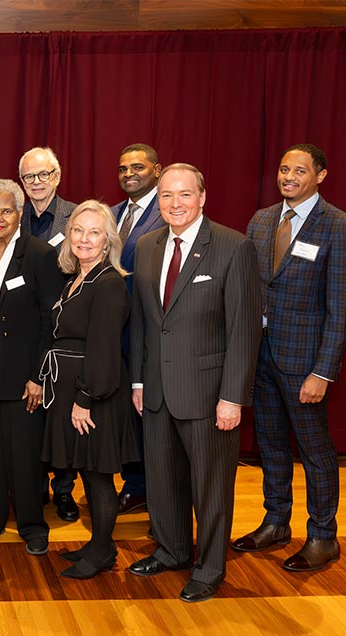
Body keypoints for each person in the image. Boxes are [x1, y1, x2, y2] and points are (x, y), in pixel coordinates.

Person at [129, 163, 262, 603]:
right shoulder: (148, 246)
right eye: (166, 196)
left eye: (184, 195)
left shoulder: (232, 247)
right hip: (157, 390)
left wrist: (232, 397)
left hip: (209, 396)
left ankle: (209, 568)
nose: (175, 204)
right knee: (163, 479)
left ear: (203, 197)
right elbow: (147, 324)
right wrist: (138, 381)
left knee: (210, 487)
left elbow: (244, 329)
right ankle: (172, 550)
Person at [234, 144, 346, 572]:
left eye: (300, 170)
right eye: (284, 169)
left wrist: (323, 371)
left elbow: (340, 308)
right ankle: (276, 522)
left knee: (314, 451)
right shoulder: (262, 219)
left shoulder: (340, 227)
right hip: (261, 357)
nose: (288, 176)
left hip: (305, 363)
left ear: (321, 175)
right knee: (269, 444)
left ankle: (323, 536)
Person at [0, 179, 63, 556]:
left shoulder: (38, 254)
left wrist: (39, 376)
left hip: (24, 375)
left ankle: (32, 524)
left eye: (7, 210)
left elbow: (48, 320)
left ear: (20, 213)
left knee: (24, 451)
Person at [40, 201, 138, 579]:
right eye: (78, 230)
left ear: (107, 239)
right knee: (85, 471)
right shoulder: (77, 278)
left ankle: (102, 553)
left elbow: (103, 347)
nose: (84, 239)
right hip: (71, 387)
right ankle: (100, 544)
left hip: (94, 392)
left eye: (94, 232)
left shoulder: (110, 283)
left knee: (98, 476)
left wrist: (84, 399)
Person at [18, 146, 80, 522]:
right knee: (31, 414)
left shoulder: (76, 216)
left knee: (61, 415)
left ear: (56, 176)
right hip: (28, 331)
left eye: (43, 175)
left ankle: (64, 490)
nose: (37, 183)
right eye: (29, 177)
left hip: (68, 331)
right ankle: (34, 484)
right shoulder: (14, 216)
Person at [112, 143, 165, 516]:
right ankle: (135, 482)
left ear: (157, 170)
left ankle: (151, 488)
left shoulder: (168, 214)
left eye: (138, 167)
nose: (129, 173)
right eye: (122, 168)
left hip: (148, 332)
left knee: (148, 415)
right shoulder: (112, 214)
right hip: (113, 334)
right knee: (125, 415)